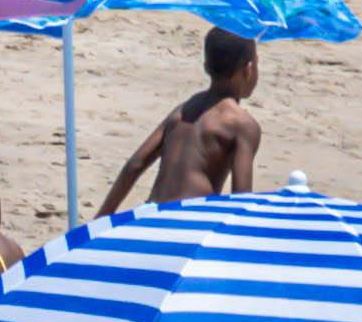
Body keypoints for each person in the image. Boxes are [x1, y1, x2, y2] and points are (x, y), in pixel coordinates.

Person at [86, 29, 262, 219]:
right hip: (192, 217)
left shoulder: (184, 110)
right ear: (249, 69)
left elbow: (135, 164)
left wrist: (103, 215)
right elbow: (241, 197)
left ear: (206, 66)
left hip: (153, 212)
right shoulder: (243, 124)